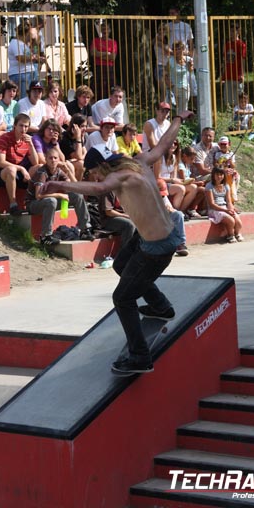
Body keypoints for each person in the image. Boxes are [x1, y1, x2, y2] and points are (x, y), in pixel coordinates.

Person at [42, 110, 194, 375]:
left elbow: (100, 189)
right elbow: (162, 145)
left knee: (122, 299)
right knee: (121, 264)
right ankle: (160, 306)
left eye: (94, 174)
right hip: (161, 234)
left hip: (156, 248)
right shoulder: (141, 160)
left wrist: (63, 185)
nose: (96, 179)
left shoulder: (117, 177)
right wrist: (179, 119)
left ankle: (139, 357)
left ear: (101, 167)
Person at [25, 147, 94, 246]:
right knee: (51, 201)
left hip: (49, 201)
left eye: (55, 158)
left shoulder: (59, 171)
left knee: (77, 195)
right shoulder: (42, 172)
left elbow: (75, 187)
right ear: (46, 159)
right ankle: (45, 237)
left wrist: (68, 171)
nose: (53, 160)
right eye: (50, 158)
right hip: (33, 204)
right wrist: (60, 195)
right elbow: (38, 195)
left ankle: (85, 230)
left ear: (59, 160)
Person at [0, 113, 38, 215]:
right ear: (14, 126)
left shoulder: (27, 140)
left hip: (17, 172)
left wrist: (31, 145)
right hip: (0, 173)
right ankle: (13, 205)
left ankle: (34, 202)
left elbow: (36, 162)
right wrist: (21, 168)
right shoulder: (5, 138)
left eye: (26, 126)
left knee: (38, 168)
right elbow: (1, 162)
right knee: (12, 170)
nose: (23, 129)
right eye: (21, 125)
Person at [156, 139, 199, 218]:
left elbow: (174, 177)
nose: (173, 145)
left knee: (194, 187)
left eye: (175, 143)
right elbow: (157, 177)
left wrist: (184, 181)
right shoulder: (160, 157)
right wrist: (172, 180)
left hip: (170, 183)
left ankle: (180, 211)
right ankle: (174, 213)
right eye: (171, 143)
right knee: (181, 189)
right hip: (161, 184)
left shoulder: (174, 157)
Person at [205, 166, 243, 243]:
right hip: (215, 209)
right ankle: (230, 235)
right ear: (213, 175)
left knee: (237, 219)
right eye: (217, 175)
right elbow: (211, 204)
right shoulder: (209, 186)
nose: (219, 177)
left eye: (221, 174)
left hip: (225, 207)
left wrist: (231, 209)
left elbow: (228, 201)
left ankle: (237, 233)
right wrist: (225, 210)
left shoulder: (226, 186)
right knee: (231, 220)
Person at [157, 178, 188, 257]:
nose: (162, 196)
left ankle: (181, 244)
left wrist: (171, 210)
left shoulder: (163, 197)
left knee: (178, 214)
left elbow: (171, 210)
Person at [90, 21, 117, 100]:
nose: (105, 31)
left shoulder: (113, 42)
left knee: (110, 87)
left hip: (109, 67)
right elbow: (93, 53)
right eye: (103, 29)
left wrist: (99, 54)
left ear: (110, 30)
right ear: (101, 30)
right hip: (98, 67)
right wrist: (107, 53)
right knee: (97, 87)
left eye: (107, 29)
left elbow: (113, 57)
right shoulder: (96, 41)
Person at [222, 23, 247, 107]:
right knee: (228, 100)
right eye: (231, 31)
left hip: (237, 75)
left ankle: (239, 114)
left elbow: (243, 60)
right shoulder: (226, 45)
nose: (232, 33)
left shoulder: (241, 45)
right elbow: (225, 61)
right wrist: (223, 75)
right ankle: (230, 115)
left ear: (238, 32)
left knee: (239, 98)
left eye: (234, 31)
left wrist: (242, 74)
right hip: (228, 74)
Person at [8, 22, 35, 100]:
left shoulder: (22, 44)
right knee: (23, 99)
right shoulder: (15, 44)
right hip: (20, 74)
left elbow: (27, 56)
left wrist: (35, 58)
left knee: (28, 98)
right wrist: (32, 58)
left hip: (26, 73)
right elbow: (19, 58)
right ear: (25, 33)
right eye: (29, 34)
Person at [165, 42, 193, 113]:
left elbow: (191, 71)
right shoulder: (170, 61)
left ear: (183, 49)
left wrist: (190, 65)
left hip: (185, 87)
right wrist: (168, 83)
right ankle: (172, 122)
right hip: (174, 87)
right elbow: (165, 74)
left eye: (179, 49)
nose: (177, 51)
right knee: (174, 107)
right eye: (175, 49)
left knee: (184, 107)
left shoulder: (188, 59)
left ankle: (182, 122)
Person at [60, 114, 87, 180]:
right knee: (80, 164)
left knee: (82, 163)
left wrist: (81, 158)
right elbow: (78, 156)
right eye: (82, 126)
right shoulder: (65, 138)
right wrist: (78, 138)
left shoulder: (81, 136)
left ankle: (78, 186)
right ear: (75, 126)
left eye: (86, 126)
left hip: (72, 161)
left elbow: (85, 152)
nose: (85, 129)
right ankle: (75, 187)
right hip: (63, 163)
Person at [213, 136, 240, 203]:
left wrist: (230, 161)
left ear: (229, 144)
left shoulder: (231, 154)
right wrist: (222, 165)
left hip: (229, 171)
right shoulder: (217, 154)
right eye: (221, 144)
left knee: (236, 176)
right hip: (221, 170)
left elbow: (233, 166)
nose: (223, 146)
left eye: (225, 144)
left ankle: (232, 197)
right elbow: (215, 164)